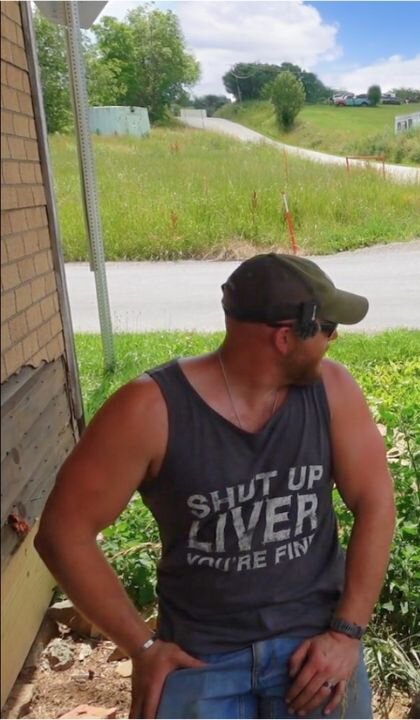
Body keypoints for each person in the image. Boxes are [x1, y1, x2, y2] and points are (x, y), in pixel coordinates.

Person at [36, 254, 396, 718]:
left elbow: (375, 502)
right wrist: (142, 646)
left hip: (314, 652)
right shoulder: (150, 410)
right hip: (200, 662)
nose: (334, 338)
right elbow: (62, 532)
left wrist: (347, 633)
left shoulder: (333, 390)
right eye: (327, 328)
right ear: (287, 337)